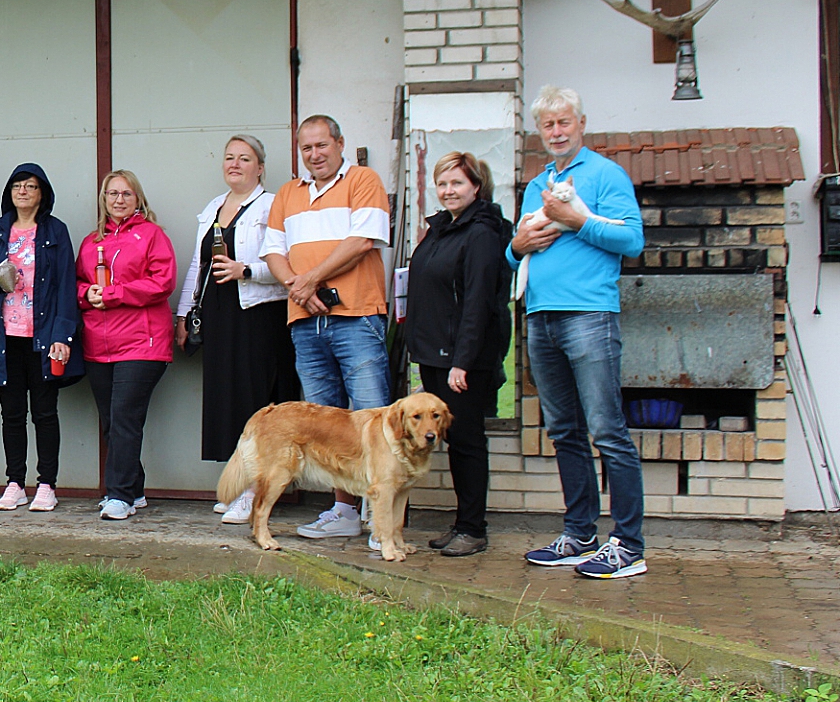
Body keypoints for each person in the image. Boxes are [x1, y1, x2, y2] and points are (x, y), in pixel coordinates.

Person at [509, 86, 649, 579]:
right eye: (548, 125)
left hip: (589, 315)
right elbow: (515, 252)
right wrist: (517, 246)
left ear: (581, 124)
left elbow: (632, 240)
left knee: (607, 431)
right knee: (564, 432)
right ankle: (580, 535)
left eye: (564, 122)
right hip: (540, 316)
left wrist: (577, 219)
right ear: (539, 131)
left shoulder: (606, 174)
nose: (556, 132)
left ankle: (628, 546)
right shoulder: (536, 184)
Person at [260, 115, 393, 541]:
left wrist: (310, 280)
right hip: (305, 321)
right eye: (307, 148)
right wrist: (298, 289)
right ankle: (344, 511)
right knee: (325, 425)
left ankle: (380, 517)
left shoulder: (364, 180)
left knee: (370, 417)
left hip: (357, 316)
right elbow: (273, 252)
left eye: (322, 145)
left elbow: (362, 240)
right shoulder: (288, 193)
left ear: (339, 143)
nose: (315, 154)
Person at [174, 134, 294, 523]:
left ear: (260, 167)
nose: (235, 164)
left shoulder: (272, 205)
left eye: (244, 158)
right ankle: (237, 485)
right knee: (226, 401)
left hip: (258, 315)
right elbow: (198, 267)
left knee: (254, 401)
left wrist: (247, 270)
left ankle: (256, 491)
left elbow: (287, 263)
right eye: (229, 157)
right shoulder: (213, 208)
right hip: (219, 315)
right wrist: (183, 314)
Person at [406, 150, 513, 558]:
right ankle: (462, 524)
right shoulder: (442, 229)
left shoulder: (482, 233)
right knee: (455, 441)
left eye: (457, 183)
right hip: (435, 355)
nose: (448, 190)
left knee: (467, 441)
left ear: (476, 187)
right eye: (443, 183)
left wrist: (462, 362)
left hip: (462, 360)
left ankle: (473, 528)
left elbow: (478, 303)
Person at [0, 163, 80, 512]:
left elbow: (66, 286)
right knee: (12, 414)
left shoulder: (56, 231)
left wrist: (63, 335)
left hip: (43, 338)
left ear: (42, 193)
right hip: (5, 337)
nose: (23, 191)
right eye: (17, 185)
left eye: (30, 186)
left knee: (45, 413)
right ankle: (15, 484)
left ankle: (47, 485)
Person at [76, 169, 177, 520]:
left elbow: (162, 282)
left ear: (138, 199)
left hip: (142, 344)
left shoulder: (151, 235)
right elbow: (76, 283)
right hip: (98, 344)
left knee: (124, 419)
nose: (119, 200)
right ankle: (134, 490)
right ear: (103, 199)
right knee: (111, 421)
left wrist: (114, 294)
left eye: (126, 194)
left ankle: (118, 495)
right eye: (113, 194)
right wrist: (86, 293)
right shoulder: (91, 241)